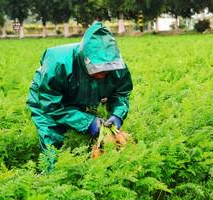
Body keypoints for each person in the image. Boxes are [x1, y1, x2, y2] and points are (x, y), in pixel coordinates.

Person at [27, 21, 133, 168]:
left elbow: (121, 94)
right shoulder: (58, 63)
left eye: (106, 71)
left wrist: (118, 115)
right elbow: (51, 105)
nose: (103, 75)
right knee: (54, 144)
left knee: (83, 143)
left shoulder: (117, 66)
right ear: (85, 60)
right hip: (46, 102)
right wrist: (87, 122)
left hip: (81, 98)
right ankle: (52, 179)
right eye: (97, 70)